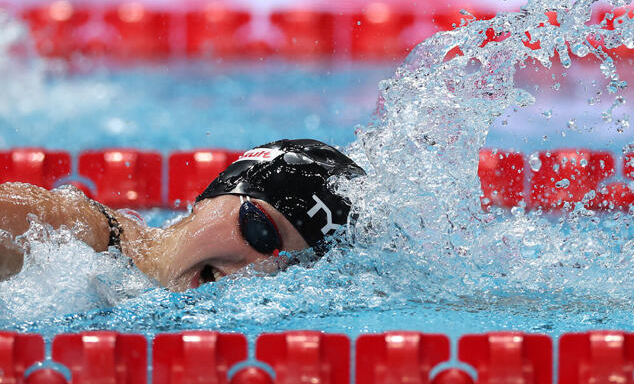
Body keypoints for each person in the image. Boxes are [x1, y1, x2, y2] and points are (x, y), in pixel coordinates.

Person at [0, 139, 366, 291]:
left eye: (287, 268)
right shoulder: (66, 232)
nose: (257, 269)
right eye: (260, 231)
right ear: (211, 196)